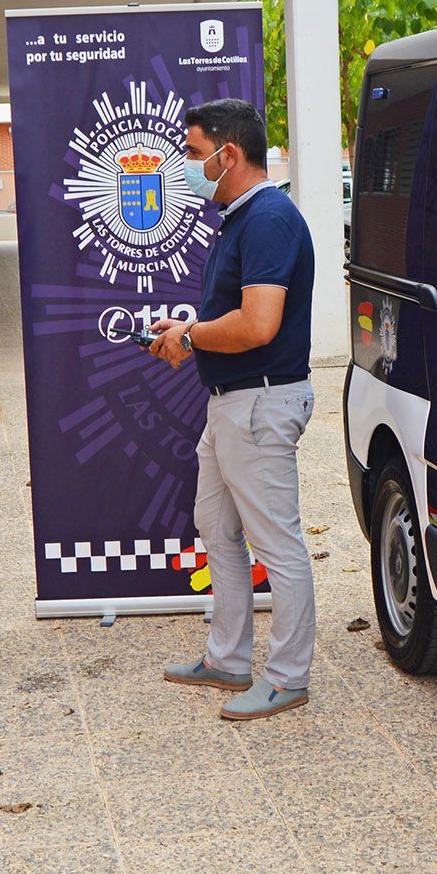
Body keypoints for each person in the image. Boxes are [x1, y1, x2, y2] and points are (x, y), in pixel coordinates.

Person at [147, 98, 317, 720]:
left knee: (277, 543)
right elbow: (236, 320)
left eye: (194, 154)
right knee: (217, 530)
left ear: (230, 154)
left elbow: (258, 324)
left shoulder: (269, 218)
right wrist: (187, 330)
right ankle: (228, 658)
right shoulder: (241, 218)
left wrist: (189, 338)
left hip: (260, 402)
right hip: (230, 405)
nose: (188, 167)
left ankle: (289, 676)